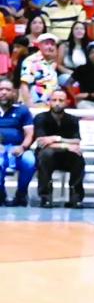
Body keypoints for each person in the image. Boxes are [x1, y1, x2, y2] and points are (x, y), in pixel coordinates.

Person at [33, 89, 85, 208]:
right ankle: (45, 196)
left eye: (61, 100)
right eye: (54, 100)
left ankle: (75, 197)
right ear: (49, 102)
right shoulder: (40, 118)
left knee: (78, 156)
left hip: (66, 157)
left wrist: (56, 138)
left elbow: (76, 141)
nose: (57, 103)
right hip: (47, 157)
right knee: (46, 154)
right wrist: (66, 145)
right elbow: (42, 142)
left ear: (67, 102)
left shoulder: (72, 119)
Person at [0, 77, 34, 206]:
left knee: (29, 161)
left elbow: (29, 133)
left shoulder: (22, 110)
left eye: (7, 89)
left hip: (18, 148)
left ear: (14, 92)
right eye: (1, 89)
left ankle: (21, 193)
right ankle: (0, 194)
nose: (3, 92)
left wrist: (23, 147)